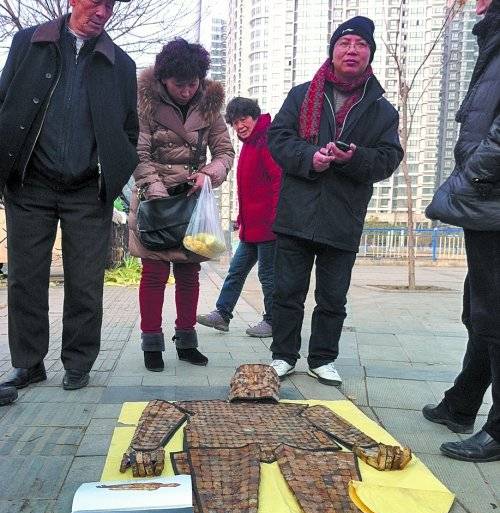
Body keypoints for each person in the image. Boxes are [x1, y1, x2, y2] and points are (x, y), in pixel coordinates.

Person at [0, 0, 138, 399]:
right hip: (30, 184)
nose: (103, 12)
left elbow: (130, 129)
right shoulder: (29, 43)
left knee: (86, 281)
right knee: (25, 277)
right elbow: (4, 101)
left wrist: (113, 171)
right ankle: (28, 362)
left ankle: (78, 363)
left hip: (88, 190)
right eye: (96, 2)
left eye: (110, 5)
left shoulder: (121, 64)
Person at [268, 17, 403, 385]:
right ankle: (283, 355)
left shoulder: (382, 110)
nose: (352, 50)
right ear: (332, 51)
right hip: (296, 212)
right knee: (287, 292)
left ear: (370, 54)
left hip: (344, 215)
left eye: (361, 44)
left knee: (333, 298)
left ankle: (323, 358)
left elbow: (389, 158)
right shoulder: (302, 95)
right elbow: (278, 138)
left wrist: (353, 158)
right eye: (345, 43)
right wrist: (309, 157)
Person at [422, 0, 500, 463]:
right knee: (482, 308)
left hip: (491, 193)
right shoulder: (492, 37)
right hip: (487, 200)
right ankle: (462, 402)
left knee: (494, 312)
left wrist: (474, 174)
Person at [128, 39, 234, 371]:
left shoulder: (210, 104)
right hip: (154, 199)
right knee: (154, 273)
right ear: (163, 79)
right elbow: (137, 152)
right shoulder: (145, 102)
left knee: (189, 274)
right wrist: (156, 190)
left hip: (192, 202)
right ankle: (151, 343)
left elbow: (225, 152)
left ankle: (187, 341)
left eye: (193, 84)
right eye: (179, 85)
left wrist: (208, 174)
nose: (187, 91)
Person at [197, 97, 281, 338]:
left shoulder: (267, 140)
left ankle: (273, 321)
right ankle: (222, 314)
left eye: (243, 119)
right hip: (251, 228)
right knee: (236, 271)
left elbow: (278, 180)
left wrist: (277, 218)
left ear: (255, 116)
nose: (239, 126)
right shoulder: (249, 143)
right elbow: (249, 189)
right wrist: (241, 219)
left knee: (268, 276)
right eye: (234, 122)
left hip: (269, 226)